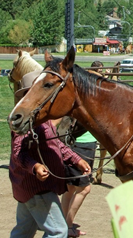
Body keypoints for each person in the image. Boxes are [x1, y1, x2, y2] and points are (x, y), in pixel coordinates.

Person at [9, 70, 91, 238]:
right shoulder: (24, 123)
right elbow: (18, 154)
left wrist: (76, 160)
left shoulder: (41, 120)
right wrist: (35, 166)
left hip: (29, 187)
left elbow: (56, 143)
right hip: (36, 188)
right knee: (58, 232)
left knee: (23, 231)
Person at [61, 61, 100, 237]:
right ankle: (66, 226)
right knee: (84, 189)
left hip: (83, 144)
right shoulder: (85, 101)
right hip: (83, 145)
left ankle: (63, 225)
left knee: (70, 188)